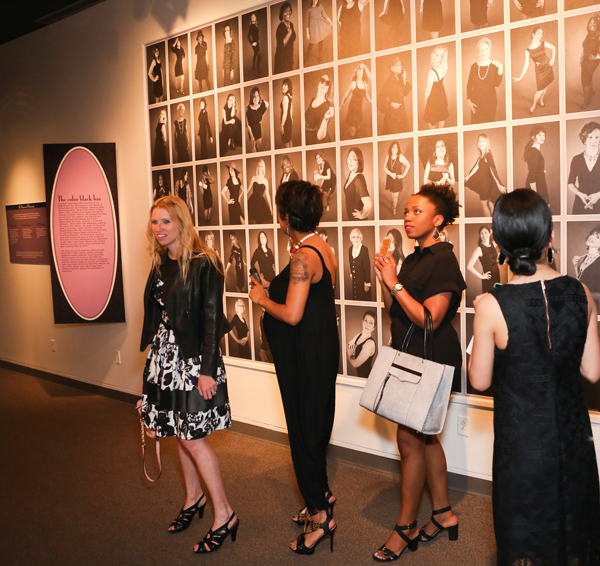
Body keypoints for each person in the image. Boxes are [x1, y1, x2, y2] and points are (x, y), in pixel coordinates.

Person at [469, 188, 600, 565]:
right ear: (551, 237)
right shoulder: (581, 292)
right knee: (574, 528)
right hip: (573, 439)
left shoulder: (493, 304)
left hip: (523, 444)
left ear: (498, 240)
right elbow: (592, 371)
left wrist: (482, 320)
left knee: (527, 533)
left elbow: (479, 380)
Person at [140, 196, 238, 555]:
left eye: (166, 221)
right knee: (178, 433)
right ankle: (194, 498)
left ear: (181, 222)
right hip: (165, 357)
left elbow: (212, 320)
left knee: (194, 438)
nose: (159, 229)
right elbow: (159, 318)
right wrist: (151, 377)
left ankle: (225, 514)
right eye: (154, 222)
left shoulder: (205, 263)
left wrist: (207, 371)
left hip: (195, 360)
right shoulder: (159, 262)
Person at [372, 184, 465, 562]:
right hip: (408, 357)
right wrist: (386, 277)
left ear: (437, 220)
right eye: (406, 211)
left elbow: (429, 320)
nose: (407, 217)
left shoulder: (444, 259)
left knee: (410, 442)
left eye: (416, 211)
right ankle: (443, 513)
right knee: (425, 440)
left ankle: (405, 526)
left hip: (432, 360)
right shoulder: (412, 259)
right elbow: (397, 309)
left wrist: (394, 281)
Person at [249, 180, 339, 555]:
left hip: (306, 358)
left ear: (285, 217)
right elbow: (308, 294)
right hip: (319, 352)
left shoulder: (302, 257)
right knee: (315, 425)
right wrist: (278, 284)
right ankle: (322, 495)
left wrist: (261, 298)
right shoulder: (322, 247)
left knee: (303, 432)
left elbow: (292, 312)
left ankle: (321, 519)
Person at [513, 26, 556, 114]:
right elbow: (526, 64)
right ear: (533, 34)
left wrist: (553, 59)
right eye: (538, 33)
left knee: (545, 87)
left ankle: (541, 100)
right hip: (540, 71)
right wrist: (520, 77)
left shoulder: (544, 43)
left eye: (541, 34)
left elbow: (553, 48)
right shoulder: (528, 51)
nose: (540, 36)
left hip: (548, 67)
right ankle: (534, 104)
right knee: (540, 90)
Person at [464, 134, 507, 216]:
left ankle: (489, 223)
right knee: (490, 203)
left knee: (484, 205)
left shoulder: (488, 155)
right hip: (486, 184)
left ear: (487, 143)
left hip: (486, 185)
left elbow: (492, 170)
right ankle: (493, 223)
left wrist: (498, 184)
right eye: (479, 141)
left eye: (483, 141)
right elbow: (476, 167)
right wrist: (468, 177)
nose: (481, 143)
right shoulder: (481, 157)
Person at [466, 37, 504, 124]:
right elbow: (469, 85)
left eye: (486, 49)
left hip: (490, 103)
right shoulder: (474, 67)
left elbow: (497, 84)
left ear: (490, 50)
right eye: (481, 50)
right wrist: (469, 101)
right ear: (478, 53)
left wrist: (501, 68)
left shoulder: (495, 66)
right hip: (476, 103)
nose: (484, 52)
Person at [568, 121, 600, 214]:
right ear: (584, 138)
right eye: (590, 137)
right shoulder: (576, 159)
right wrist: (580, 195)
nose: (594, 141)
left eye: (597, 137)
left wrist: (598, 196)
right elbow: (570, 182)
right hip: (581, 203)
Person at [378, 57, 412, 135]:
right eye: (398, 65)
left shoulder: (398, 79)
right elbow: (380, 99)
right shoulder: (389, 82)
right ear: (392, 68)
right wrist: (391, 104)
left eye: (401, 65)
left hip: (401, 112)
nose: (401, 67)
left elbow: (404, 92)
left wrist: (404, 78)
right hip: (392, 115)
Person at [339, 63, 372, 139]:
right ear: (356, 72)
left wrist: (372, 102)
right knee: (352, 128)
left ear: (363, 72)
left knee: (358, 127)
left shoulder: (365, 84)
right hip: (353, 109)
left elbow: (366, 96)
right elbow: (346, 95)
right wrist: (341, 105)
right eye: (358, 70)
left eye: (361, 71)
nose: (359, 72)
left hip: (359, 109)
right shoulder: (354, 83)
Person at [467, 225, 500, 294]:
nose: (484, 235)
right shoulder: (479, 249)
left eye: (486, 232)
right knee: (488, 300)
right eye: (482, 233)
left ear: (489, 233)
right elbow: (469, 266)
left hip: (496, 276)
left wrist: (493, 230)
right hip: (488, 279)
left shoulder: (493, 245)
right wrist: (482, 276)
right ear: (480, 235)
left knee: (496, 300)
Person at [574, 225, 600, 310]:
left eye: (598, 237)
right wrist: (575, 266)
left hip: (595, 305)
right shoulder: (585, 257)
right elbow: (580, 281)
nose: (592, 237)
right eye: (593, 234)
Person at [383, 141, 411, 219]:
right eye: (393, 147)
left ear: (398, 149)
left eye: (396, 147)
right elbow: (384, 168)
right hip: (390, 178)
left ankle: (394, 208)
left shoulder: (400, 156)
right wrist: (391, 174)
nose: (394, 149)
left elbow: (408, 165)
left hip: (397, 179)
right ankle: (394, 204)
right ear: (391, 148)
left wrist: (403, 175)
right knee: (393, 193)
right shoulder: (388, 156)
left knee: (395, 195)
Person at [423, 46, 449, 129]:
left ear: (441, 59)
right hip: (442, 102)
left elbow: (428, 89)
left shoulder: (432, 72)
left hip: (433, 104)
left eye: (437, 55)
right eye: (434, 52)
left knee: (432, 131)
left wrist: (425, 103)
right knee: (440, 129)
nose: (434, 56)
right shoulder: (442, 71)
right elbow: (441, 87)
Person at [523, 125, 550, 206]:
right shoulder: (534, 152)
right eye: (539, 135)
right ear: (533, 137)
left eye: (543, 134)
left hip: (540, 182)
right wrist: (534, 193)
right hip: (536, 184)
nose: (542, 137)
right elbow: (532, 172)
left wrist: (542, 170)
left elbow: (535, 167)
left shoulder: (535, 151)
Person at [344, 147, 372, 220]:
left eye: (354, 159)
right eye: (349, 158)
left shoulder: (358, 179)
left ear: (359, 162)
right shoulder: (351, 174)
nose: (350, 161)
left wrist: (362, 215)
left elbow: (368, 205)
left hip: (357, 220)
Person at [305, 74, 335, 145]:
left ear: (328, 89)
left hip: (317, 142)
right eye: (322, 81)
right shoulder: (312, 100)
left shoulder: (326, 106)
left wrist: (325, 118)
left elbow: (320, 137)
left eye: (327, 83)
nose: (324, 84)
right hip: (307, 138)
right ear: (318, 85)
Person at [347, 310, 376, 377]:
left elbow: (355, 364)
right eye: (365, 321)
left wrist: (350, 356)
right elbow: (348, 345)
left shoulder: (370, 343)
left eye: (371, 323)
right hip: (359, 377)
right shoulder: (359, 336)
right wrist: (351, 353)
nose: (367, 324)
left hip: (367, 378)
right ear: (362, 322)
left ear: (374, 328)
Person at [580, 14, 600, 110]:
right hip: (586, 58)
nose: (591, 25)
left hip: (592, 60)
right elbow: (585, 47)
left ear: (597, 24)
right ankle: (591, 91)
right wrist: (581, 56)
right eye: (590, 23)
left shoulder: (598, 36)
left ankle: (586, 100)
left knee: (585, 79)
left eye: (594, 23)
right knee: (588, 75)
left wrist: (597, 56)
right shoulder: (589, 35)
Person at [305, 0, 333, 66]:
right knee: (311, 43)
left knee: (321, 42)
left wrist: (330, 21)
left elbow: (324, 15)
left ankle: (320, 56)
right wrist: (307, 33)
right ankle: (307, 56)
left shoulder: (320, 6)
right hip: (313, 29)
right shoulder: (309, 9)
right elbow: (306, 22)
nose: (315, 1)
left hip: (320, 27)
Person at [348, 228, 372, 300]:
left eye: (357, 237)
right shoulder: (350, 249)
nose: (355, 239)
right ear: (351, 238)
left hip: (363, 280)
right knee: (355, 297)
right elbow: (350, 262)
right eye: (353, 237)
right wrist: (352, 272)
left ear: (360, 238)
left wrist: (367, 283)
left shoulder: (364, 249)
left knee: (362, 297)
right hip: (355, 279)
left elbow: (367, 267)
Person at [247, 158, 272, 224]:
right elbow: (248, 190)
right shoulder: (253, 178)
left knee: (260, 222)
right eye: (259, 166)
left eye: (262, 166)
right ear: (257, 167)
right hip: (252, 203)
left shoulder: (265, 181)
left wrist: (271, 210)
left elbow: (267, 195)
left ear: (264, 168)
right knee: (252, 222)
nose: (260, 168)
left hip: (261, 204)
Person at [274, 2, 296, 74]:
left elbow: (292, 40)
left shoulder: (291, 24)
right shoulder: (280, 27)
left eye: (289, 10)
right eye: (286, 11)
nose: (288, 13)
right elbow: (281, 45)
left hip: (289, 57)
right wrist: (289, 33)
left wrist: (291, 56)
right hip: (281, 60)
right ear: (282, 13)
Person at [245, 86, 269, 153]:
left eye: (257, 96)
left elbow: (267, 105)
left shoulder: (262, 105)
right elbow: (248, 125)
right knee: (253, 147)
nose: (256, 98)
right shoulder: (248, 110)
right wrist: (252, 137)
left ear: (259, 96)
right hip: (251, 130)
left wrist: (262, 115)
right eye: (254, 96)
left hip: (258, 128)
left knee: (259, 146)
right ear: (251, 97)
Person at [279, 78, 294, 148]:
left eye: (285, 85)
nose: (283, 86)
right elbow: (291, 109)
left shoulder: (285, 97)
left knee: (286, 142)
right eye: (283, 85)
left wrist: (282, 125)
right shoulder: (290, 97)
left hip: (285, 122)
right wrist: (291, 119)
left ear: (289, 87)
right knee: (290, 140)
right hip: (289, 121)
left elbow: (285, 113)